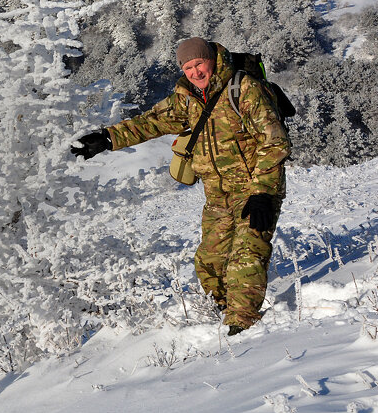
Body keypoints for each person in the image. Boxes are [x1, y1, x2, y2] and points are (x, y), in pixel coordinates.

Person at [72, 38, 290, 335]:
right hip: (217, 194)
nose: (195, 71)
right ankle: (223, 312)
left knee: (247, 254)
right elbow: (151, 122)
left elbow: (274, 141)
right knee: (209, 262)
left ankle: (243, 328)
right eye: (188, 67)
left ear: (212, 59)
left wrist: (264, 192)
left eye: (199, 63)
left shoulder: (245, 89)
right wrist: (107, 139)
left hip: (255, 188)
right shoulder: (187, 97)